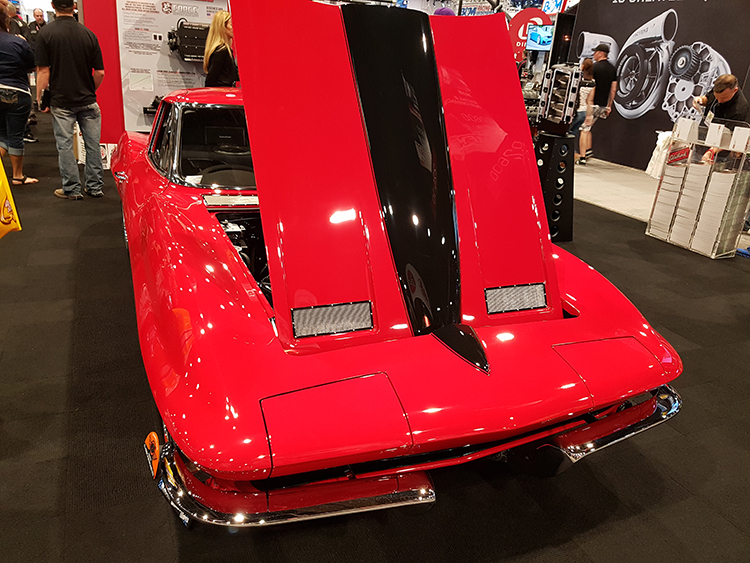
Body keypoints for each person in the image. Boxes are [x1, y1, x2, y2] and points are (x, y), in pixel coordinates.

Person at [36, 0, 105, 200]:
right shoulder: (88, 34)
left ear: (52, 5)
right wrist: (90, 90)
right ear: (74, 6)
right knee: (93, 145)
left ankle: (72, 189)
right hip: (88, 100)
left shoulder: (45, 34)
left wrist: (40, 98)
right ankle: (95, 187)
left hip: (61, 101)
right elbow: (100, 72)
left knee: (65, 146)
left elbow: (43, 72)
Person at [0, 5, 38, 185]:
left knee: (1, 135)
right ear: (7, 21)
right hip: (17, 91)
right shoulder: (17, 42)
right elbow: (33, 65)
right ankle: (17, 176)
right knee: (15, 135)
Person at [577, 43, 617, 165]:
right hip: (602, 104)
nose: (594, 54)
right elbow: (613, 89)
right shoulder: (612, 69)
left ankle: (582, 157)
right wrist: (609, 105)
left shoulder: (594, 68)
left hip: (590, 104)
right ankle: (588, 150)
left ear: (601, 53)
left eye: (595, 52)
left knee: (584, 129)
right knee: (589, 127)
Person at [204, 10, 238, 88]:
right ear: (222, 27)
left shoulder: (223, 50)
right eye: (231, 25)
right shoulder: (222, 51)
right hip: (221, 92)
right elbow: (211, 79)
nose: (234, 28)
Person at [569, 58, 594, 161]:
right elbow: (590, 101)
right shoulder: (593, 83)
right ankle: (576, 154)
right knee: (577, 133)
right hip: (585, 111)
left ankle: (571, 153)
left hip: (576, 111)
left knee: (569, 134)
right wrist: (589, 115)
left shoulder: (577, 81)